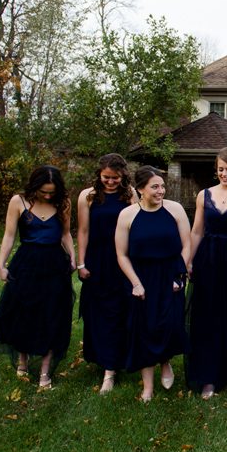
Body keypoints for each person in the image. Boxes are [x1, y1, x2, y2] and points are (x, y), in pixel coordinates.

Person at [0, 165, 76, 390]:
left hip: (55, 264)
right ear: (35, 186)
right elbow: (9, 236)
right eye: (43, 192)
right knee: (24, 312)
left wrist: (73, 257)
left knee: (52, 314)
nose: (48, 196)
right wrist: (1, 265)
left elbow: (66, 234)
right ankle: (23, 359)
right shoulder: (18, 201)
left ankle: (45, 372)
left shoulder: (63, 202)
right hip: (26, 264)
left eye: (51, 192)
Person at [114, 166, 191, 402]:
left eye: (162, 186)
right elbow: (121, 254)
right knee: (143, 330)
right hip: (141, 278)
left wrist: (179, 276)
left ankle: (165, 361)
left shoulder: (175, 210)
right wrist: (136, 283)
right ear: (140, 189)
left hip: (170, 275)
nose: (161, 191)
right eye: (155, 187)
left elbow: (187, 245)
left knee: (168, 324)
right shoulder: (127, 215)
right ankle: (147, 386)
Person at [186, 148, 227, 400]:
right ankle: (208, 376)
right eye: (220, 169)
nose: (224, 173)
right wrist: (190, 260)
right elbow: (196, 231)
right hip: (208, 259)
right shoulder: (204, 195)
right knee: (208, 316)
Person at [76, 154, 136, 394]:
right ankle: (102, 359)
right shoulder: (87, 196)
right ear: (99, 175)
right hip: (97, 259)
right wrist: (81, 263)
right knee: (96, 312)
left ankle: (112, 368)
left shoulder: (130, 194)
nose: (110, 182)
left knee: (117, 311)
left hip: (121, 259)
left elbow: (137, 226)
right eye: (106, 178)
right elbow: (82, 230)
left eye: (115, 178)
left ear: (123, 176)